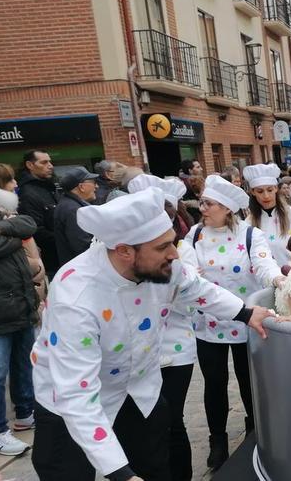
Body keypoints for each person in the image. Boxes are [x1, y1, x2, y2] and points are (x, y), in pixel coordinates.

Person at [31, 188, 274, 481]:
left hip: (139, 388)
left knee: (156, 465)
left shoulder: (165, 265)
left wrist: (246, 314)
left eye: (172, 243)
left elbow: (197, 289)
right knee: (66, 472)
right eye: (162, 248)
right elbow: (77, 395)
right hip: (70, 403)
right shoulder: (76, 297)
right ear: (124, 251)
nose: (174, 254)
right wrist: (121, 474)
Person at [184, 175, 282, 470]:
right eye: (202, 202)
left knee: (248, 381)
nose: (203, 208)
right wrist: (190, 271)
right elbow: (186, 267)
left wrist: (278, 279)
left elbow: (264, 264)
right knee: (214, 383)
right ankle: (217, 440)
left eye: (209, 204)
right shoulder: (193, 235)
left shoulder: (250, 235)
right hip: (208, 323)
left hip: (246, 321)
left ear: (227, 208)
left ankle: (254, 433)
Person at [125, 174, 196, 480]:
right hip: (135, 354)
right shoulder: (124, 251)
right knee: (142, 424)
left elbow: (195, 292)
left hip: (175, 347)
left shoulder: (182, 250)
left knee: (171, 419)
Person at [0, 179, 39, 457]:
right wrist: (12, 238)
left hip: (19, 303)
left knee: (25, 363)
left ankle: (26, 413)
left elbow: (28, 223)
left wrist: (0, 228)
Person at [0, 164, 47, 303]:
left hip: (24, 293)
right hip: (14, 295)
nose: (15, 184)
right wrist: (36, 267)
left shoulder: (6, 211)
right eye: (10, 180)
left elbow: (29, 224)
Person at [244, 164, 291, 267]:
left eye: (270, 190)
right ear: (253, 192)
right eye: (260, 191)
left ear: (276, 188)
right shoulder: (248, 223)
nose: (266, 196)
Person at [17, 149, 60, 277]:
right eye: (44, 162)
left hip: (59, 259)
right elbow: (35, 230)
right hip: (49, 263)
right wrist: (64, 238)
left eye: (50, 162)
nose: (50, 166)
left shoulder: (48, 187)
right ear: (30, 165)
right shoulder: (28, 193)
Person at [54, 166, 100, 266]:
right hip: (83, 269)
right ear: (81, 187)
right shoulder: (73, 210)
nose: (96, 187)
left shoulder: (70, 205)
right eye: (93, 182)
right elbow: (84, 246)